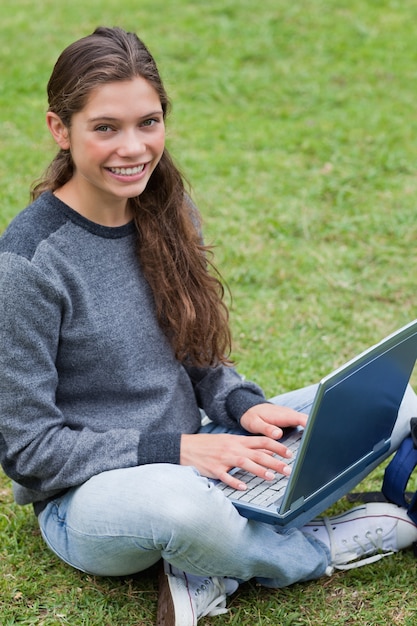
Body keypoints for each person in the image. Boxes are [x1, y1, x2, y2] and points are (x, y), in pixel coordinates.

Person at [0, 26, 416, 626]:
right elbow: (29, 450)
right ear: (59, 130)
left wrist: (242, 405)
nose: (134, 148)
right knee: (182, 509)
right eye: (105, 128)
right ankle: (315, 548)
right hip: (94, 499)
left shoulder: (166, 209)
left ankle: (206, 564)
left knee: (392, 401)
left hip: (203, 455)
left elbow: (195, 354)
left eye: (149, 122)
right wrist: (174, 450)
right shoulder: (27, 265)